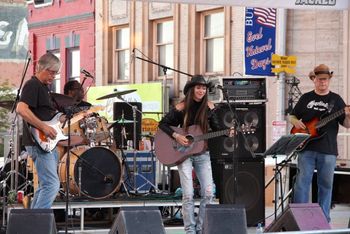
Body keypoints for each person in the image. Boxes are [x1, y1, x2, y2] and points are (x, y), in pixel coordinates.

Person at [158, 75, 232, 234]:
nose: (201, 91)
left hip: (202, 152)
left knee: (209, 192)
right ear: (192, 90)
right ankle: (190, 231)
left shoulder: (210, 107)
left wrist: (228, 133)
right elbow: (162, 124)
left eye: (204, 88)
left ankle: (200, 229)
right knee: (188, 194)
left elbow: (217, 128)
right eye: (198, 88)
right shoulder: (181, 107)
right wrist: (176, 136)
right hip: (183, 153)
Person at [289, 64, 350, 222]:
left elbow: (347, 124)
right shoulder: (306, 98)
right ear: (313, 79)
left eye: (325, 79)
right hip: (306, 148)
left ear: (329, 80)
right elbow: (291, 116)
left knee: (326, 185)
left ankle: (323, 219)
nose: (323, 82)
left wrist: (348, 115)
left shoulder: (336, 100)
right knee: (302, 183)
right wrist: (296, 122)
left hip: (328, 150)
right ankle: (299, 218)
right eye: (319, 79)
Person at [16, 52, 62, 209]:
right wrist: (43, 127)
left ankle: (32, 222)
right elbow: (21, 109)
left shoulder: (43, 88)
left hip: (45, 143)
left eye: (56, 73)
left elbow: (45, 116)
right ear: (43, 68)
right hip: (38, 143)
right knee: (52, 185)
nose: (54, 76)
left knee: (44, 186)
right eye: (52, 72)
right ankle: (38, 224)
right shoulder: (32, 85)